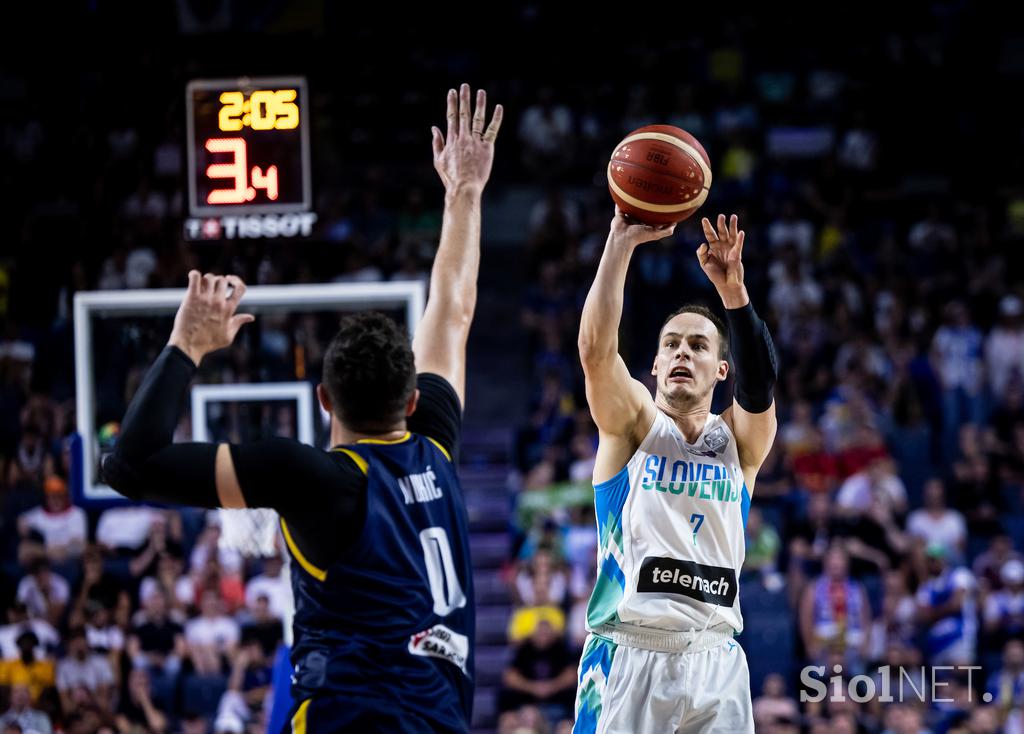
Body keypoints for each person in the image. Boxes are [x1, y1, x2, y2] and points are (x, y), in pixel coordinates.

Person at [100, 84, 502, 733]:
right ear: (413, 399)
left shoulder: (314, 479)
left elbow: (128, 465)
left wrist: (186, 345)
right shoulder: (436, 448)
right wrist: (464, 192)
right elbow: (453, 310)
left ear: (322, 400)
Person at [574, 211, 778, 732]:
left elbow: (761, 386)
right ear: (656, 368)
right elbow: (596, 352)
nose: (682, 351)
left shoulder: (739, 442)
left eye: (698, 345)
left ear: (720, 370)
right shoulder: (633, 427)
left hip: (717, 658)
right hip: (629, 655)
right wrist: (618, 243)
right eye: (671, 345)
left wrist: (734, 292)